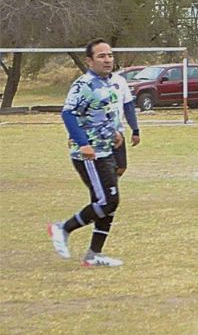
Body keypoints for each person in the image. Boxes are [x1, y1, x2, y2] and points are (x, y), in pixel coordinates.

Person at [47, 39, 141, 267]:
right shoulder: (84, 85)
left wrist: (116, 133)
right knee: (109, 201)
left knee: (106, 203)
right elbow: (68, 114)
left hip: (107, 149)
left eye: (109, 55)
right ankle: (63, 228)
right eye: (101, 56)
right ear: (89, 61)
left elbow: (105, 114)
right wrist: (83, 143)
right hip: (90, 154)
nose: (107, 59)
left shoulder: (112, 83)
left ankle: (93, 255)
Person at [110, 67, 140, 178]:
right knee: (103, 167)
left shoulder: (120, 81)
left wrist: (135, 130)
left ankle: (109, 186)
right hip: (98, 133)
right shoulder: (87, 83)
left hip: (117, 133)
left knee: (121, 167)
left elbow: (128, 107)